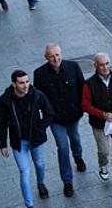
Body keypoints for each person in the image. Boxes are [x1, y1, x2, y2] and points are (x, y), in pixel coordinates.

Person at [0, 69, 55, 208]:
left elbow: (49, 113)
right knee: (24, 171)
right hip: (19, 141)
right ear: (14, 84)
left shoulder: (37, 95)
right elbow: (1, 124)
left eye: (27, 82)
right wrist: (2, 144)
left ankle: (41, 183)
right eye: (21, 83)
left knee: (40, 164)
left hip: (35, 138)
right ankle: (29, 207)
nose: (25, 85)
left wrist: (40, 127)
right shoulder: (5, 100)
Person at [33, 44, 88, 196]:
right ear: (46, 58)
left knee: (75, 138)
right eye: (52, 56)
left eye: (57, 55)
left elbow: (82, 88)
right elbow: (39, 98)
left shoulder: (73, 67)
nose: (55, 59)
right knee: (63, 147)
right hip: (56, 119)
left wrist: (81, 108)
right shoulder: (39, 74)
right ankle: (67, 181)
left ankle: (78, 157)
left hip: (73, 114)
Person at [81, 52, 112, 187]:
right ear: (96, 66)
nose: (105, 67)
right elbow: (85, 105)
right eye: (101, 65)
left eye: (107, 64)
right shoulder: (89, 84)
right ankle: (103, 165)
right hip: (100, 123)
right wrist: (102, 114)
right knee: (104, 150)